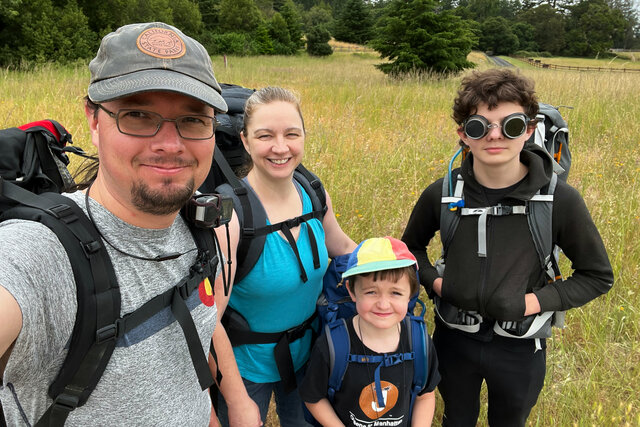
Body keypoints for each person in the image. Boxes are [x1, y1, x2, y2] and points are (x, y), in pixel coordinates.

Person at [0, 22, 260, 426]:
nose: (170, 144)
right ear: (93, 117)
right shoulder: (39, 255)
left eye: (193, 120)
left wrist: (232, 403)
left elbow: (197, 325)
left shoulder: (198, 225)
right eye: (138, 115)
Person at [402, 68, 614, 426]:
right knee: (457, 418)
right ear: (462, 136)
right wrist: (439, 285)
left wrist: (530, 303)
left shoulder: (558, 199)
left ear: (529, 130)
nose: (494, 135)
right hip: (455, 338)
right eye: (478, 127)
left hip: (521, 346)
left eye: (511, 125)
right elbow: (409, 250)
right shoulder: (442, 193)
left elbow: (596, 276)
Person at [212, 86, 357, 426]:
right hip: (245, 369)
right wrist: (236, 401)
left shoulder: (314, 194)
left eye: (292, 134)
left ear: (304, 137)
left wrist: (391, 264)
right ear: (246, 141)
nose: (280, 147)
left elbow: (344, 249)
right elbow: (208, 321)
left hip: (308, 356)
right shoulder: (232, 216)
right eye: (265, 136)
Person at [300, 236, 440, 427]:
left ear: (411, 294)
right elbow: (313, 398)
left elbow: (425, 395)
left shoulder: (419, 341)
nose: (383, 304)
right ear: (352, 290)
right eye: (371, 292)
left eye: (396, 293)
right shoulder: (334, 344)